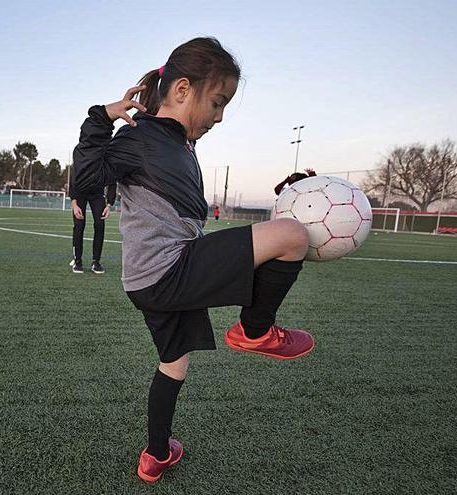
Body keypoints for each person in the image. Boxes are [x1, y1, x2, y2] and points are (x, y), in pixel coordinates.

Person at [73, 37, 314, 484]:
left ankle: (156, 454)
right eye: (218, 102)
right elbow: (85, 180)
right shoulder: (141, 135)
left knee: (175, 363)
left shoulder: (179, 143)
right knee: (293, 237)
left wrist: (296, 196)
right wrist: (98, 119)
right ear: (182, 90)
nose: (220, 117)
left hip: (153, 279)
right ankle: (255, 330)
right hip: (170, 269)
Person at [69, 172, 116, 273]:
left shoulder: (105, 160)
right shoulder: (82, 158)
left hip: (97, 194)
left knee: (100, 225)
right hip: (80, 192)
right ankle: (77, 260)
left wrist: (109, 204)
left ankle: (96, 261)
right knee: (79, 225)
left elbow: (112, 180)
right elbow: (73, 176)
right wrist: (74, 203)